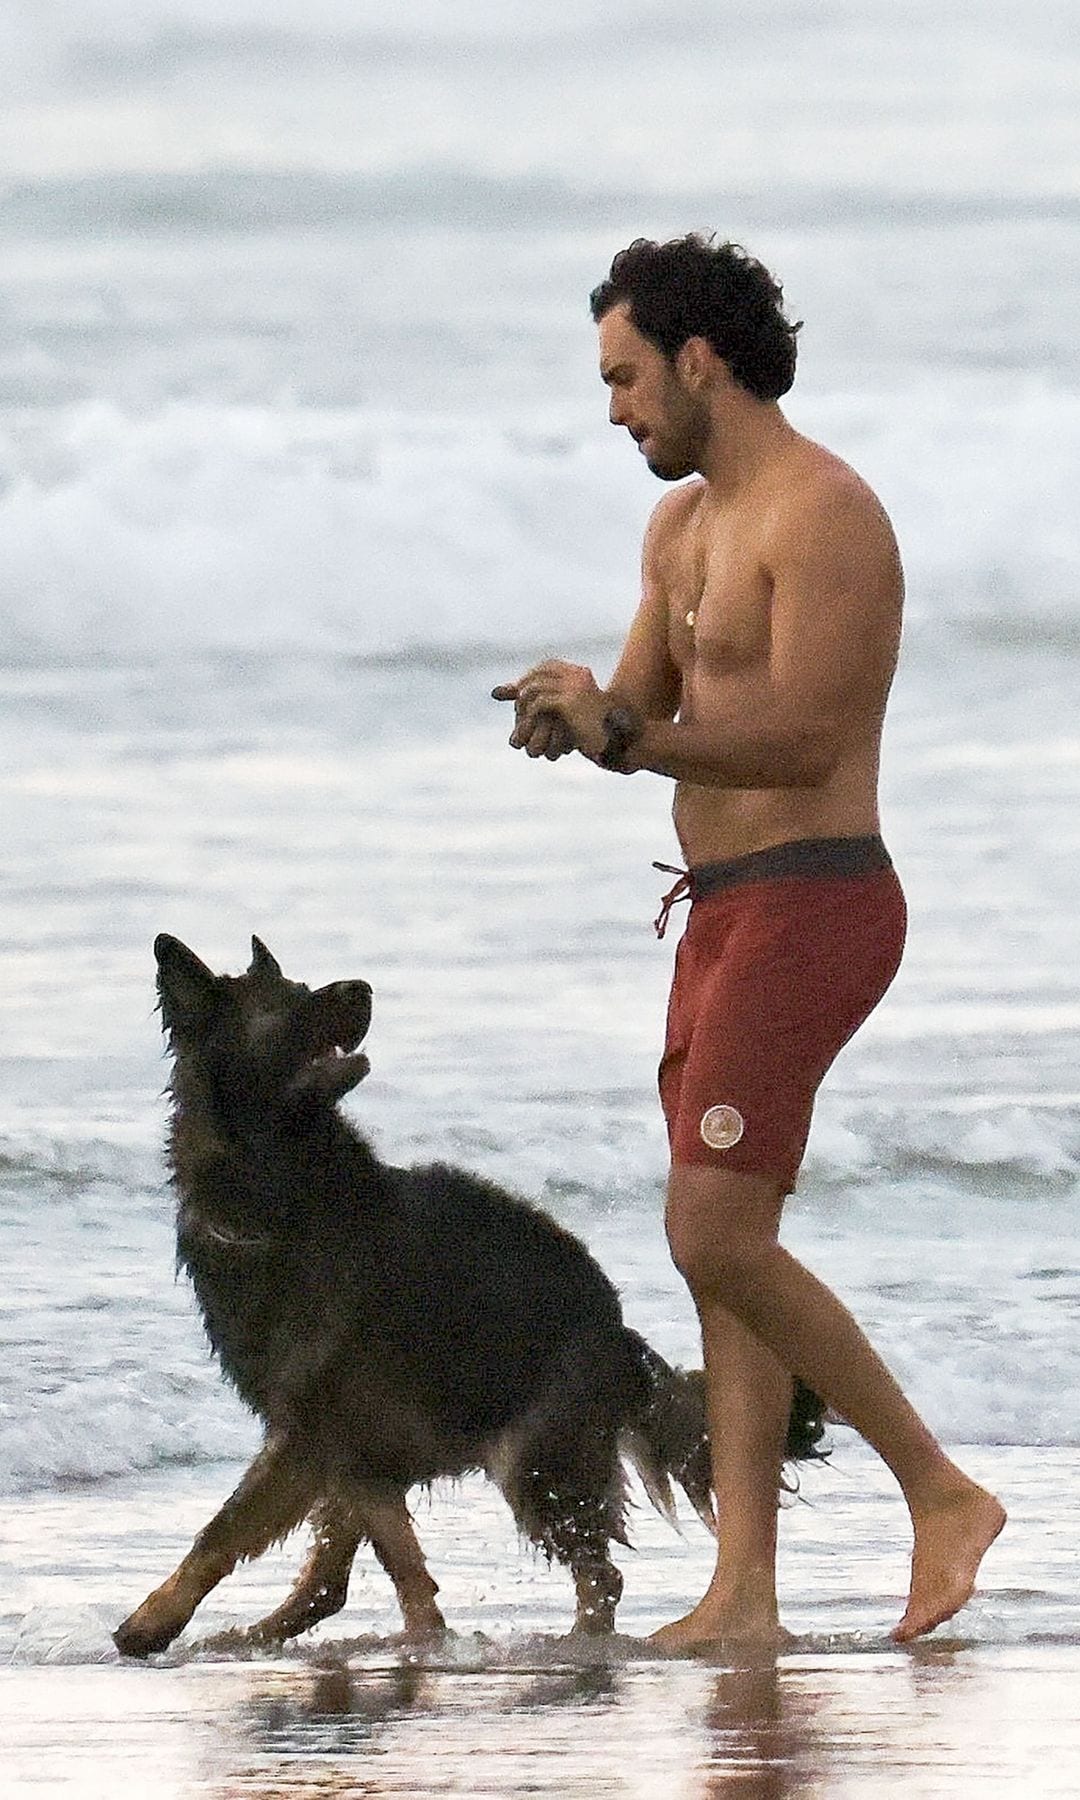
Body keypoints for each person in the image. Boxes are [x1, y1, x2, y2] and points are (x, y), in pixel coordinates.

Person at [493, 234, 1005, 1652]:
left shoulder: (826, 514)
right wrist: (581, 711)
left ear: (698, 360)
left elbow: (805, 735)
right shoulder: (681, 532)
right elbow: (648, 728)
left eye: (625, 378)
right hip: (719, 915)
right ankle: (745, 1595)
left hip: (819, 902)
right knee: (723, 1250)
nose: (614, 412)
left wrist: (631, 727)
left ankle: (941, 1490)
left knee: (711, 1227)